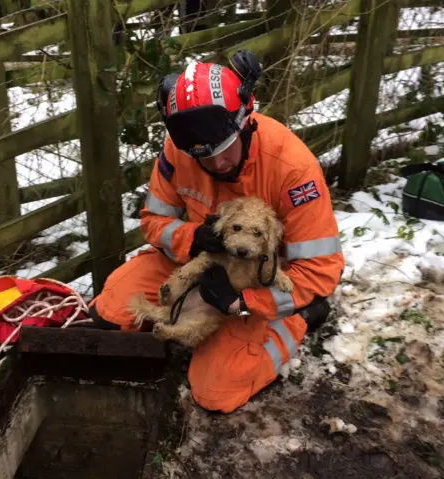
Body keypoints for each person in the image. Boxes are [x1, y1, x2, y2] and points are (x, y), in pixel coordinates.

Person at [88, 50, 345, 413]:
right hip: (195, 261)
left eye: (224, 149)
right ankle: (186, 318)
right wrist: (192, 238)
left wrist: (242, 304)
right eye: (201, 157)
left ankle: (300, 319)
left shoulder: (292, 169)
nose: (215, 163)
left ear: (246, 122)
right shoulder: (179, 151)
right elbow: (153, 222)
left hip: (260, 281)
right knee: (110, 314)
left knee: (215, 392)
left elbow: (320, 270)